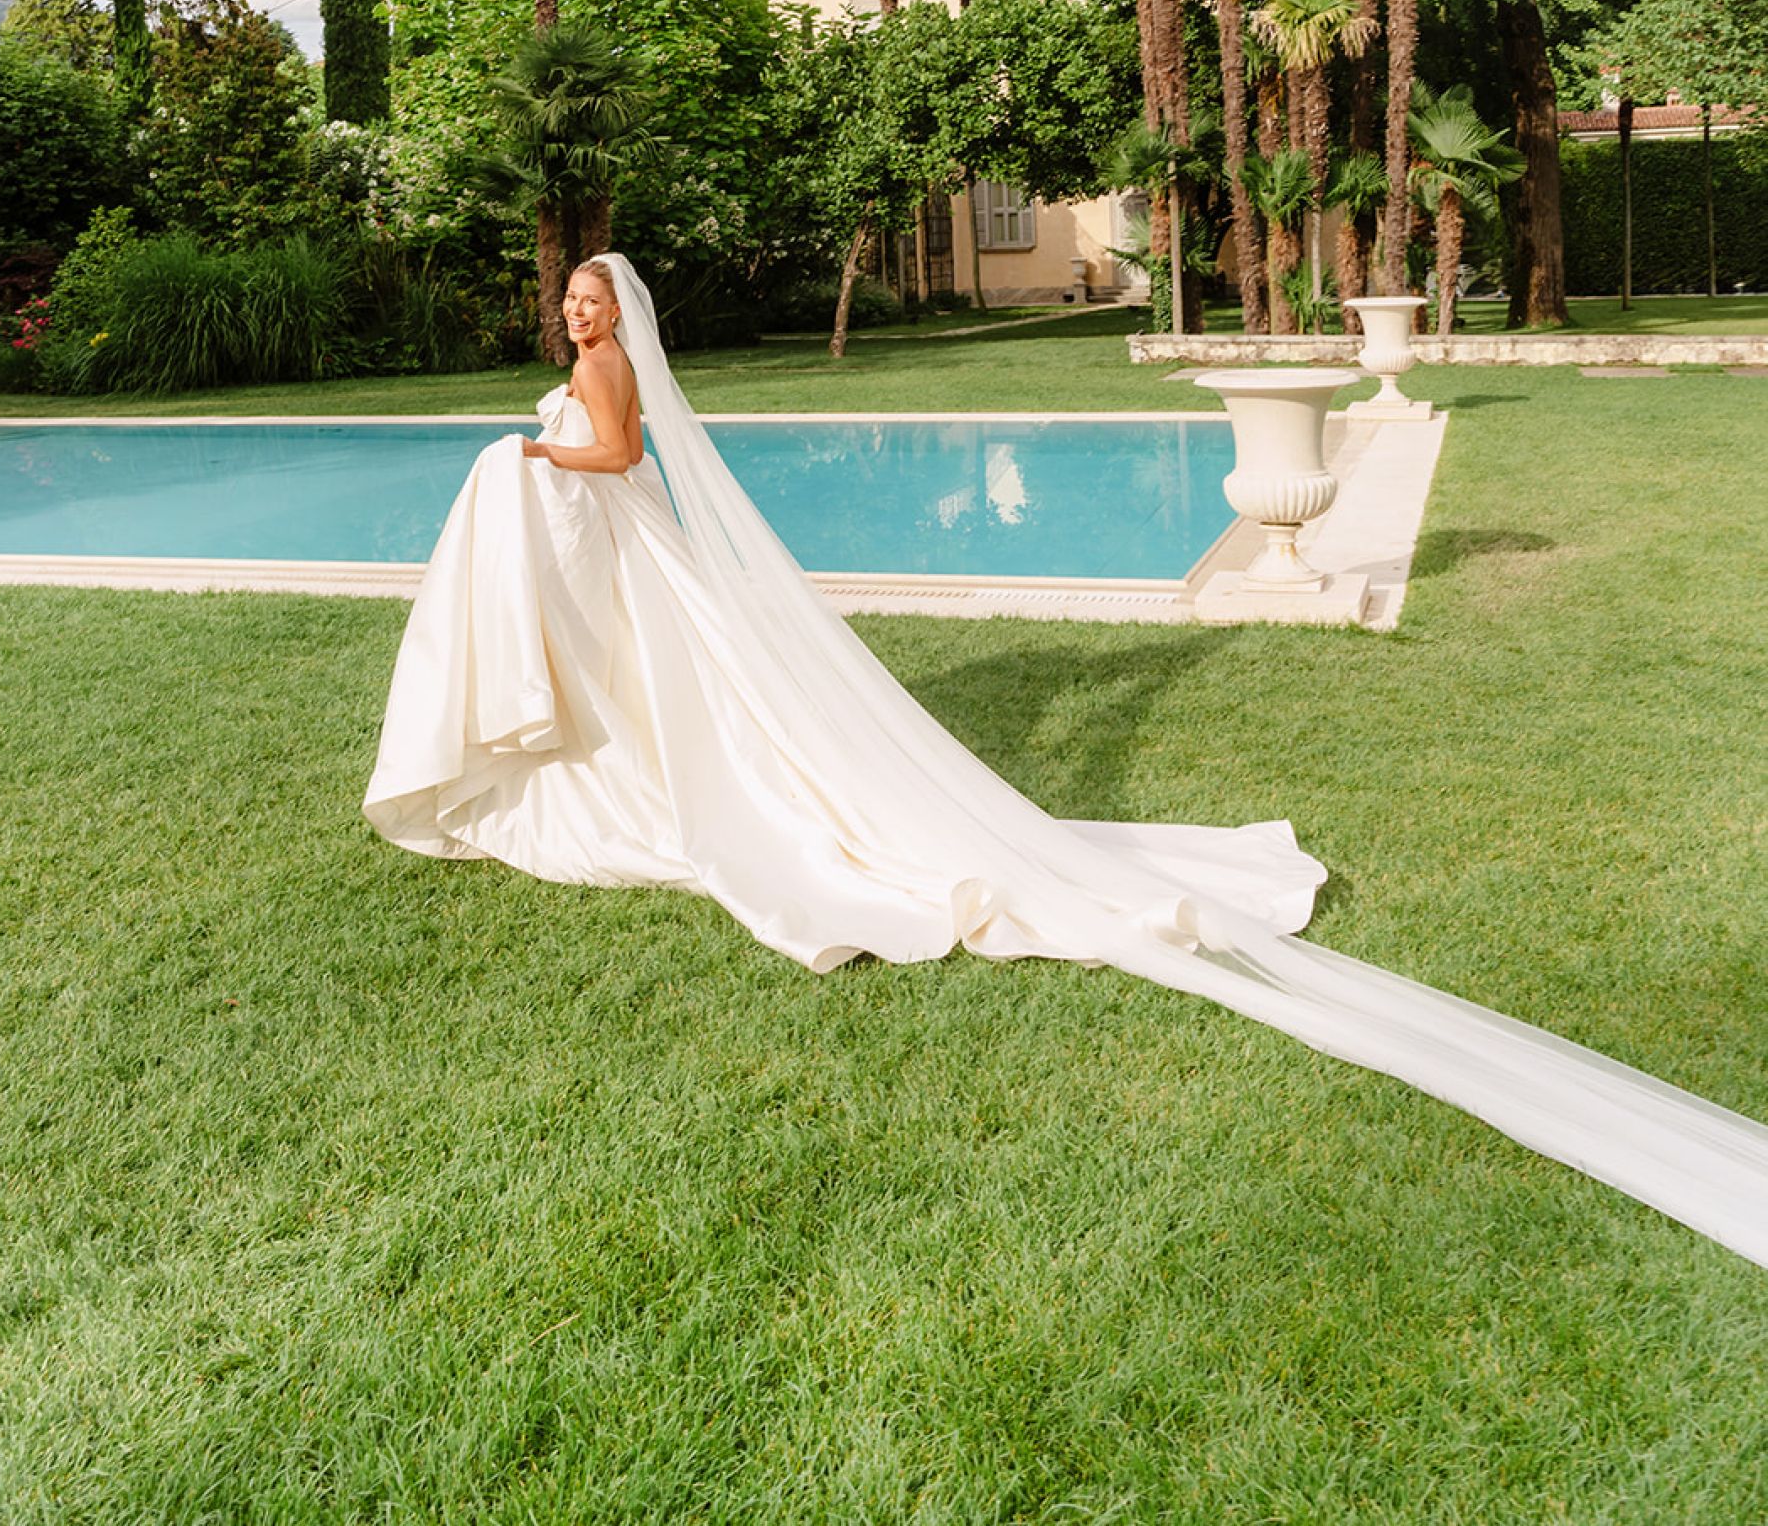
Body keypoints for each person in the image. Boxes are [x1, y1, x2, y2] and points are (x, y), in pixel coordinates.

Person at [366, 252, 1768, 1270]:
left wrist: (527, 460)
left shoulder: (600, 381)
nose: (580, 318)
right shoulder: (578, 357)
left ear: (625, 317)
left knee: (700, 712)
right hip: (613, 566)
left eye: (594, 305)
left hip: (610, 539)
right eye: (570, 306)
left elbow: (614, 462)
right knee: (659, 700)